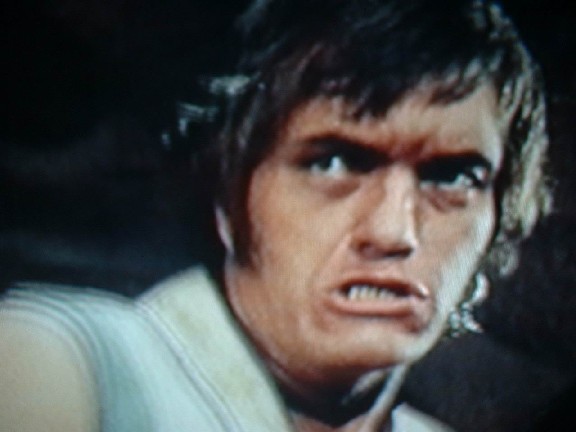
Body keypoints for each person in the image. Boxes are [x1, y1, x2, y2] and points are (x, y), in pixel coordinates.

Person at [0, 0, 550, 431]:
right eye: (334, 163)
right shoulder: (66, 363)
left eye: (452, 178)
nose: (394, 232)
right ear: (227, 192)